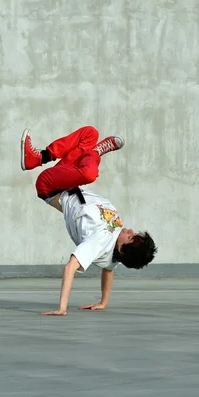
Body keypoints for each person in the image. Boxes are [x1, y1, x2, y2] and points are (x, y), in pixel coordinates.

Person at [21, 125, 157, 316]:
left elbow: (70, 268)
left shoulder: (98, 243)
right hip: (68, 179)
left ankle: (97, 152)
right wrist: (103, 302)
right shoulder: (113, 254)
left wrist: (62, 308)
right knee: (89, 133)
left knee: (90, 174)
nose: (130, 230)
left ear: (122, 249)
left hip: (51, 187)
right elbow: (108, 271)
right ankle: (39, 158)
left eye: (131, 237)